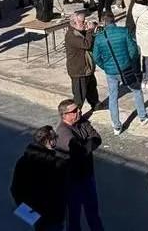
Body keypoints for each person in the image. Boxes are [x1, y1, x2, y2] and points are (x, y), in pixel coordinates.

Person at [93, 12, 148, 135]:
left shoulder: (99, 37)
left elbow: (96, 57)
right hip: (126, 68)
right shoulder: (123, 31)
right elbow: (134, 50)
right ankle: (142, 116)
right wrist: (129, 62)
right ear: (114, 20)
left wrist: (106, 67)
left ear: (103, 22)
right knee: (136, 90)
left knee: (113, 96)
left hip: (110, 72)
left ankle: (116, 126)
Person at [55, 98, 104, 231]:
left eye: (78, 108)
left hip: (87, 175)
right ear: (65, 115)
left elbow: (97, 138)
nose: (79, 111)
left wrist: (86, 145)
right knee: (74, 216)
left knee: (93, 212)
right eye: (75, 110)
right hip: (73, 181)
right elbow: (81, 151)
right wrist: (88, 143)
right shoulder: (63, 133)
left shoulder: (81, 122)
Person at [11, 126, 67, 231]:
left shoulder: (23, 161)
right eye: (55, 137)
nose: (57, 139)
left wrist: (30, 216)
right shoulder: (55, 164)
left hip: (36, 215)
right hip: (53, 215)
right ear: (48, 141)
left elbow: (15, 190)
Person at [65, 11, 101, 113]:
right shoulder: (71, 36)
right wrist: (89, 31)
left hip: (87, 68)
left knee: (92, 88)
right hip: (79, 71)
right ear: (74, 23)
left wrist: (94, 28)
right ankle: (76, 113)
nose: (85, 23)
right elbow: (86, 44)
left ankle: (95, 104)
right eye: (82, 21)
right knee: (79, 95)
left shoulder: (80, 31)